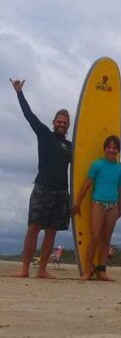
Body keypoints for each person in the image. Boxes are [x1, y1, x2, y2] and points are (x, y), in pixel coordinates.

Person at [9, 78, 72, 279]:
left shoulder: (71, 146)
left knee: (52, 231)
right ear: (54, 123)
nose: (62, 125)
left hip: (61, 192)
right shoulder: (45, 134)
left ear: (68, 126)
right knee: (34, 228)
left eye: (65, 123)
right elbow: (29, 115)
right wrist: (19, 92)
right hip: (43, 187)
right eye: (59, 122)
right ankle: (25, 269)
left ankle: (42, 269)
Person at [72, 135, 121, 281]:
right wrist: (77, 203)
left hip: (113, 204)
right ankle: (87, 270)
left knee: (106, 238)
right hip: (98, 203)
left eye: (115, 148)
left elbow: (120, 190)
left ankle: (101, 270)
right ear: (104, 149)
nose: (111, 150)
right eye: (109, 147)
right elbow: (86, 184)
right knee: (95, 236)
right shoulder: (97, 165)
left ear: (118, 150)